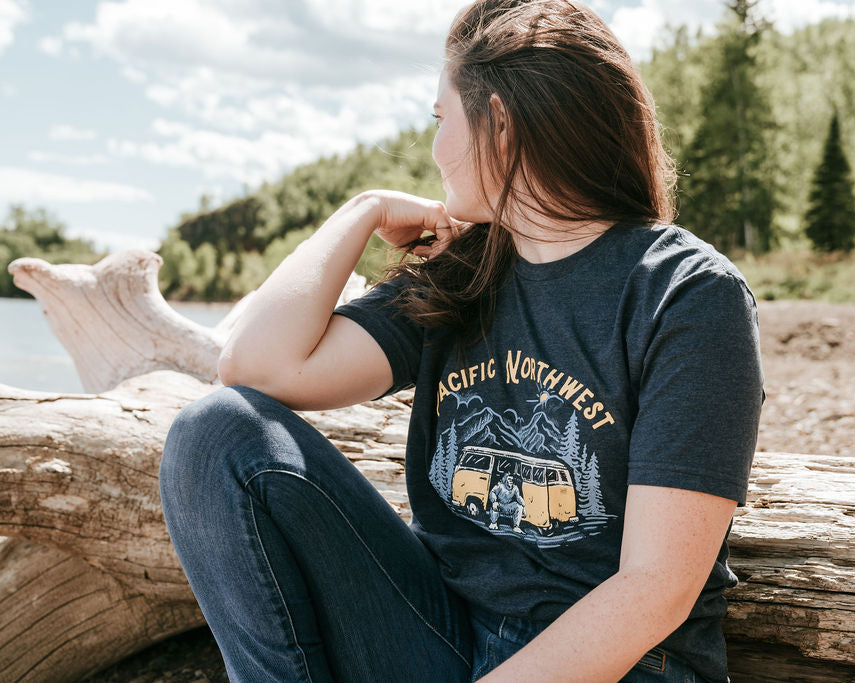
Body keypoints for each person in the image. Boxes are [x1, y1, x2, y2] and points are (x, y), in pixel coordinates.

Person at [158, 0, 764, 681]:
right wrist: (362, 211)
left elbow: (656, 588)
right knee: (214, 433)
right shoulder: (466, 273)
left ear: (499, 122)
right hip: (443, 635)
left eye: (440, 119)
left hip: (619, 662)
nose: (434, 148)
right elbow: (256, 367)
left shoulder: (686, 293)